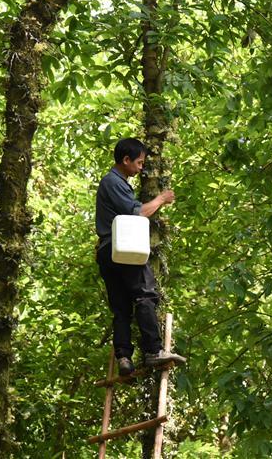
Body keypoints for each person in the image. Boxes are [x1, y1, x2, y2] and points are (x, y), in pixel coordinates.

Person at [95, 137, 186, 376]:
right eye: (139, 162)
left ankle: (124, 357)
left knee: (121, 307)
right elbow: (138, 212)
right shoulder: (113, 182)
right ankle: (153, 351)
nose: (141, 167)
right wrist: (161, 199)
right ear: (125, 160)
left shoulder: (116, 182)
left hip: (108, 251)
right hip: (122, 247)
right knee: (145, 294)